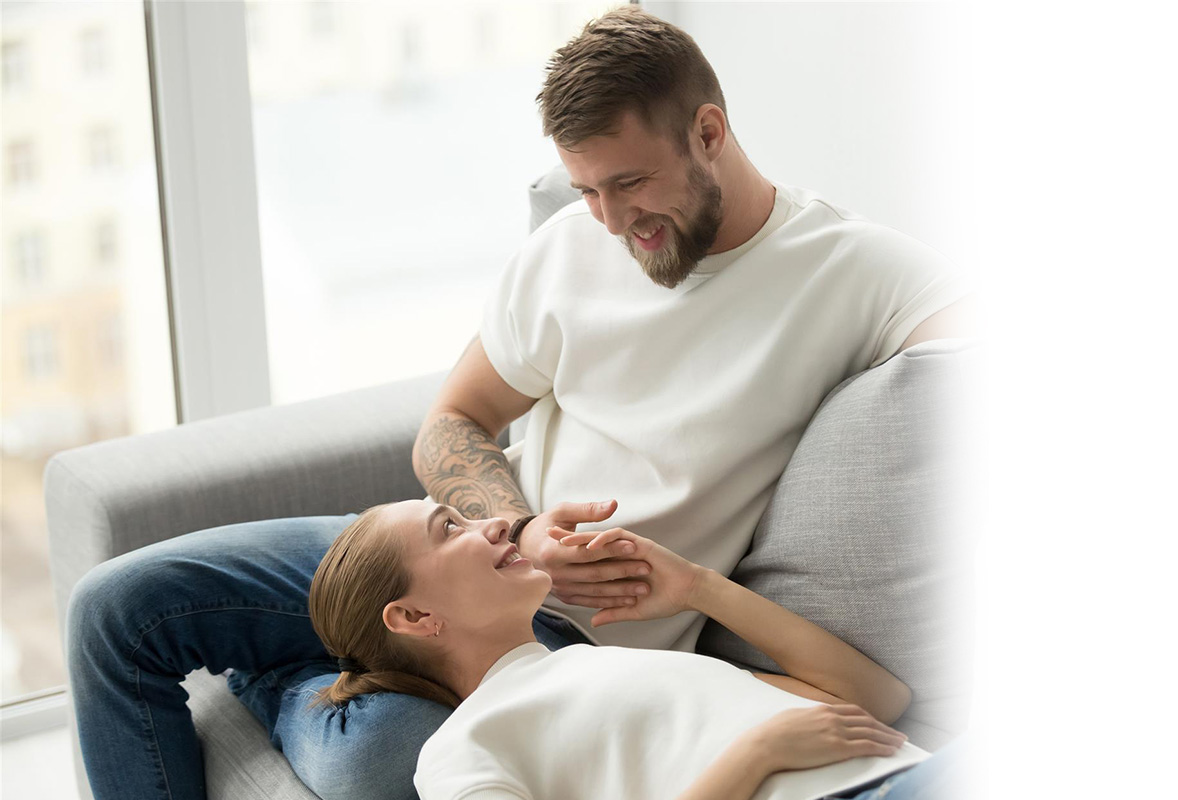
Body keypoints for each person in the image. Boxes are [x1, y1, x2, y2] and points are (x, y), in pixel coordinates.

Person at [66, 6, 973, 800]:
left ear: (709, 131)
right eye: (585, 190)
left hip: (583, 651)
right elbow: (453, 422)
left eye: (629, 184)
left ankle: (301, 671)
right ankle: (331, 656)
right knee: (116, 610)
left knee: (377, 766)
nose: (611, 223)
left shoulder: (860, 272)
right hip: (460, 552)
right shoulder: (571, 250)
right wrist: (520, 527)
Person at [307, 499, 966, 800]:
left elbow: (880, 702)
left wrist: (699, 587)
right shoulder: (459, 752)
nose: (499, 521)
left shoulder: (605, 665)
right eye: (449, 527)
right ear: (415, 616)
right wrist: (758, 754)